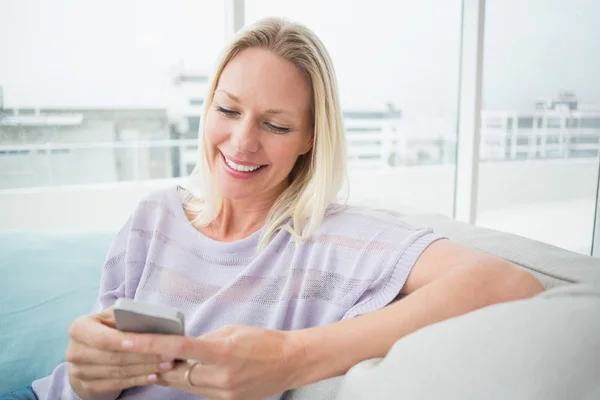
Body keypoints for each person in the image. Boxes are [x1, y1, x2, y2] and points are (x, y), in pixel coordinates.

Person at [5, 17, 544, 400]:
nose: (241, 143)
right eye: (228, 110)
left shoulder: (334, 239)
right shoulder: (155, 215)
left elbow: (509, 284)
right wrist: (87, 378)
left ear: (311, 137)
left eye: (276, 124)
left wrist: (290, 357)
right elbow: (96, 371)